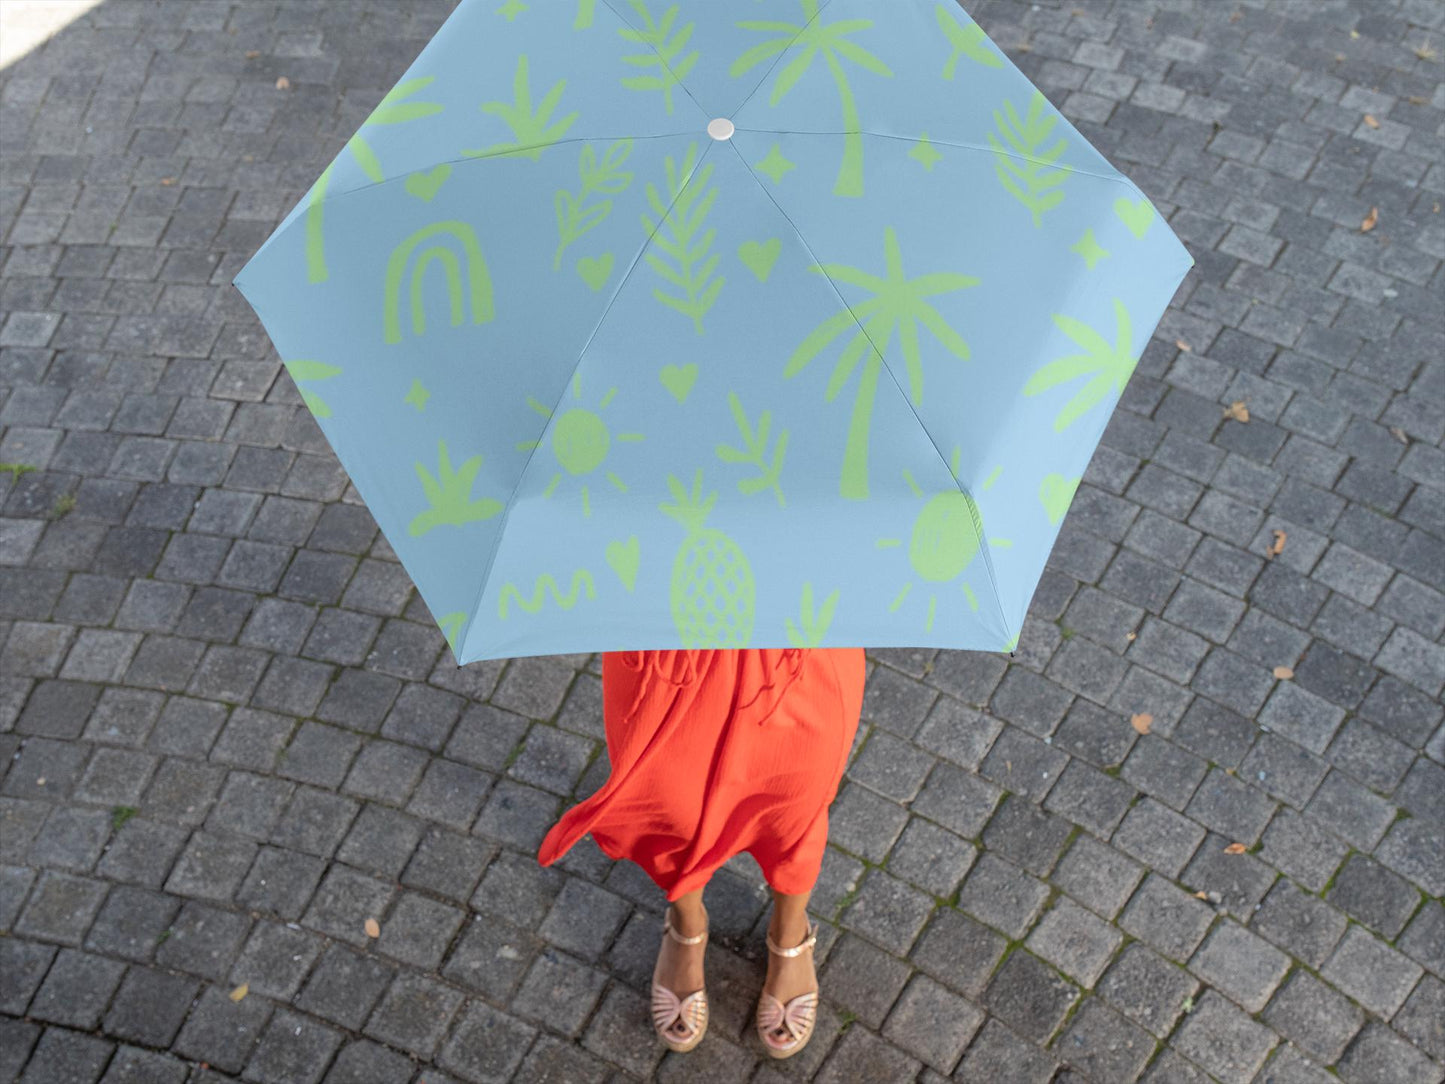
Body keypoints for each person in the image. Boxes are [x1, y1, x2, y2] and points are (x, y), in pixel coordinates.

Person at [536, 646, 867, 1058]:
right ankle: (687, 922)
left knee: (795, 807)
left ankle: (789, 930)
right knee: (671, 810)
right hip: (670, 648)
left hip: (799, 642)